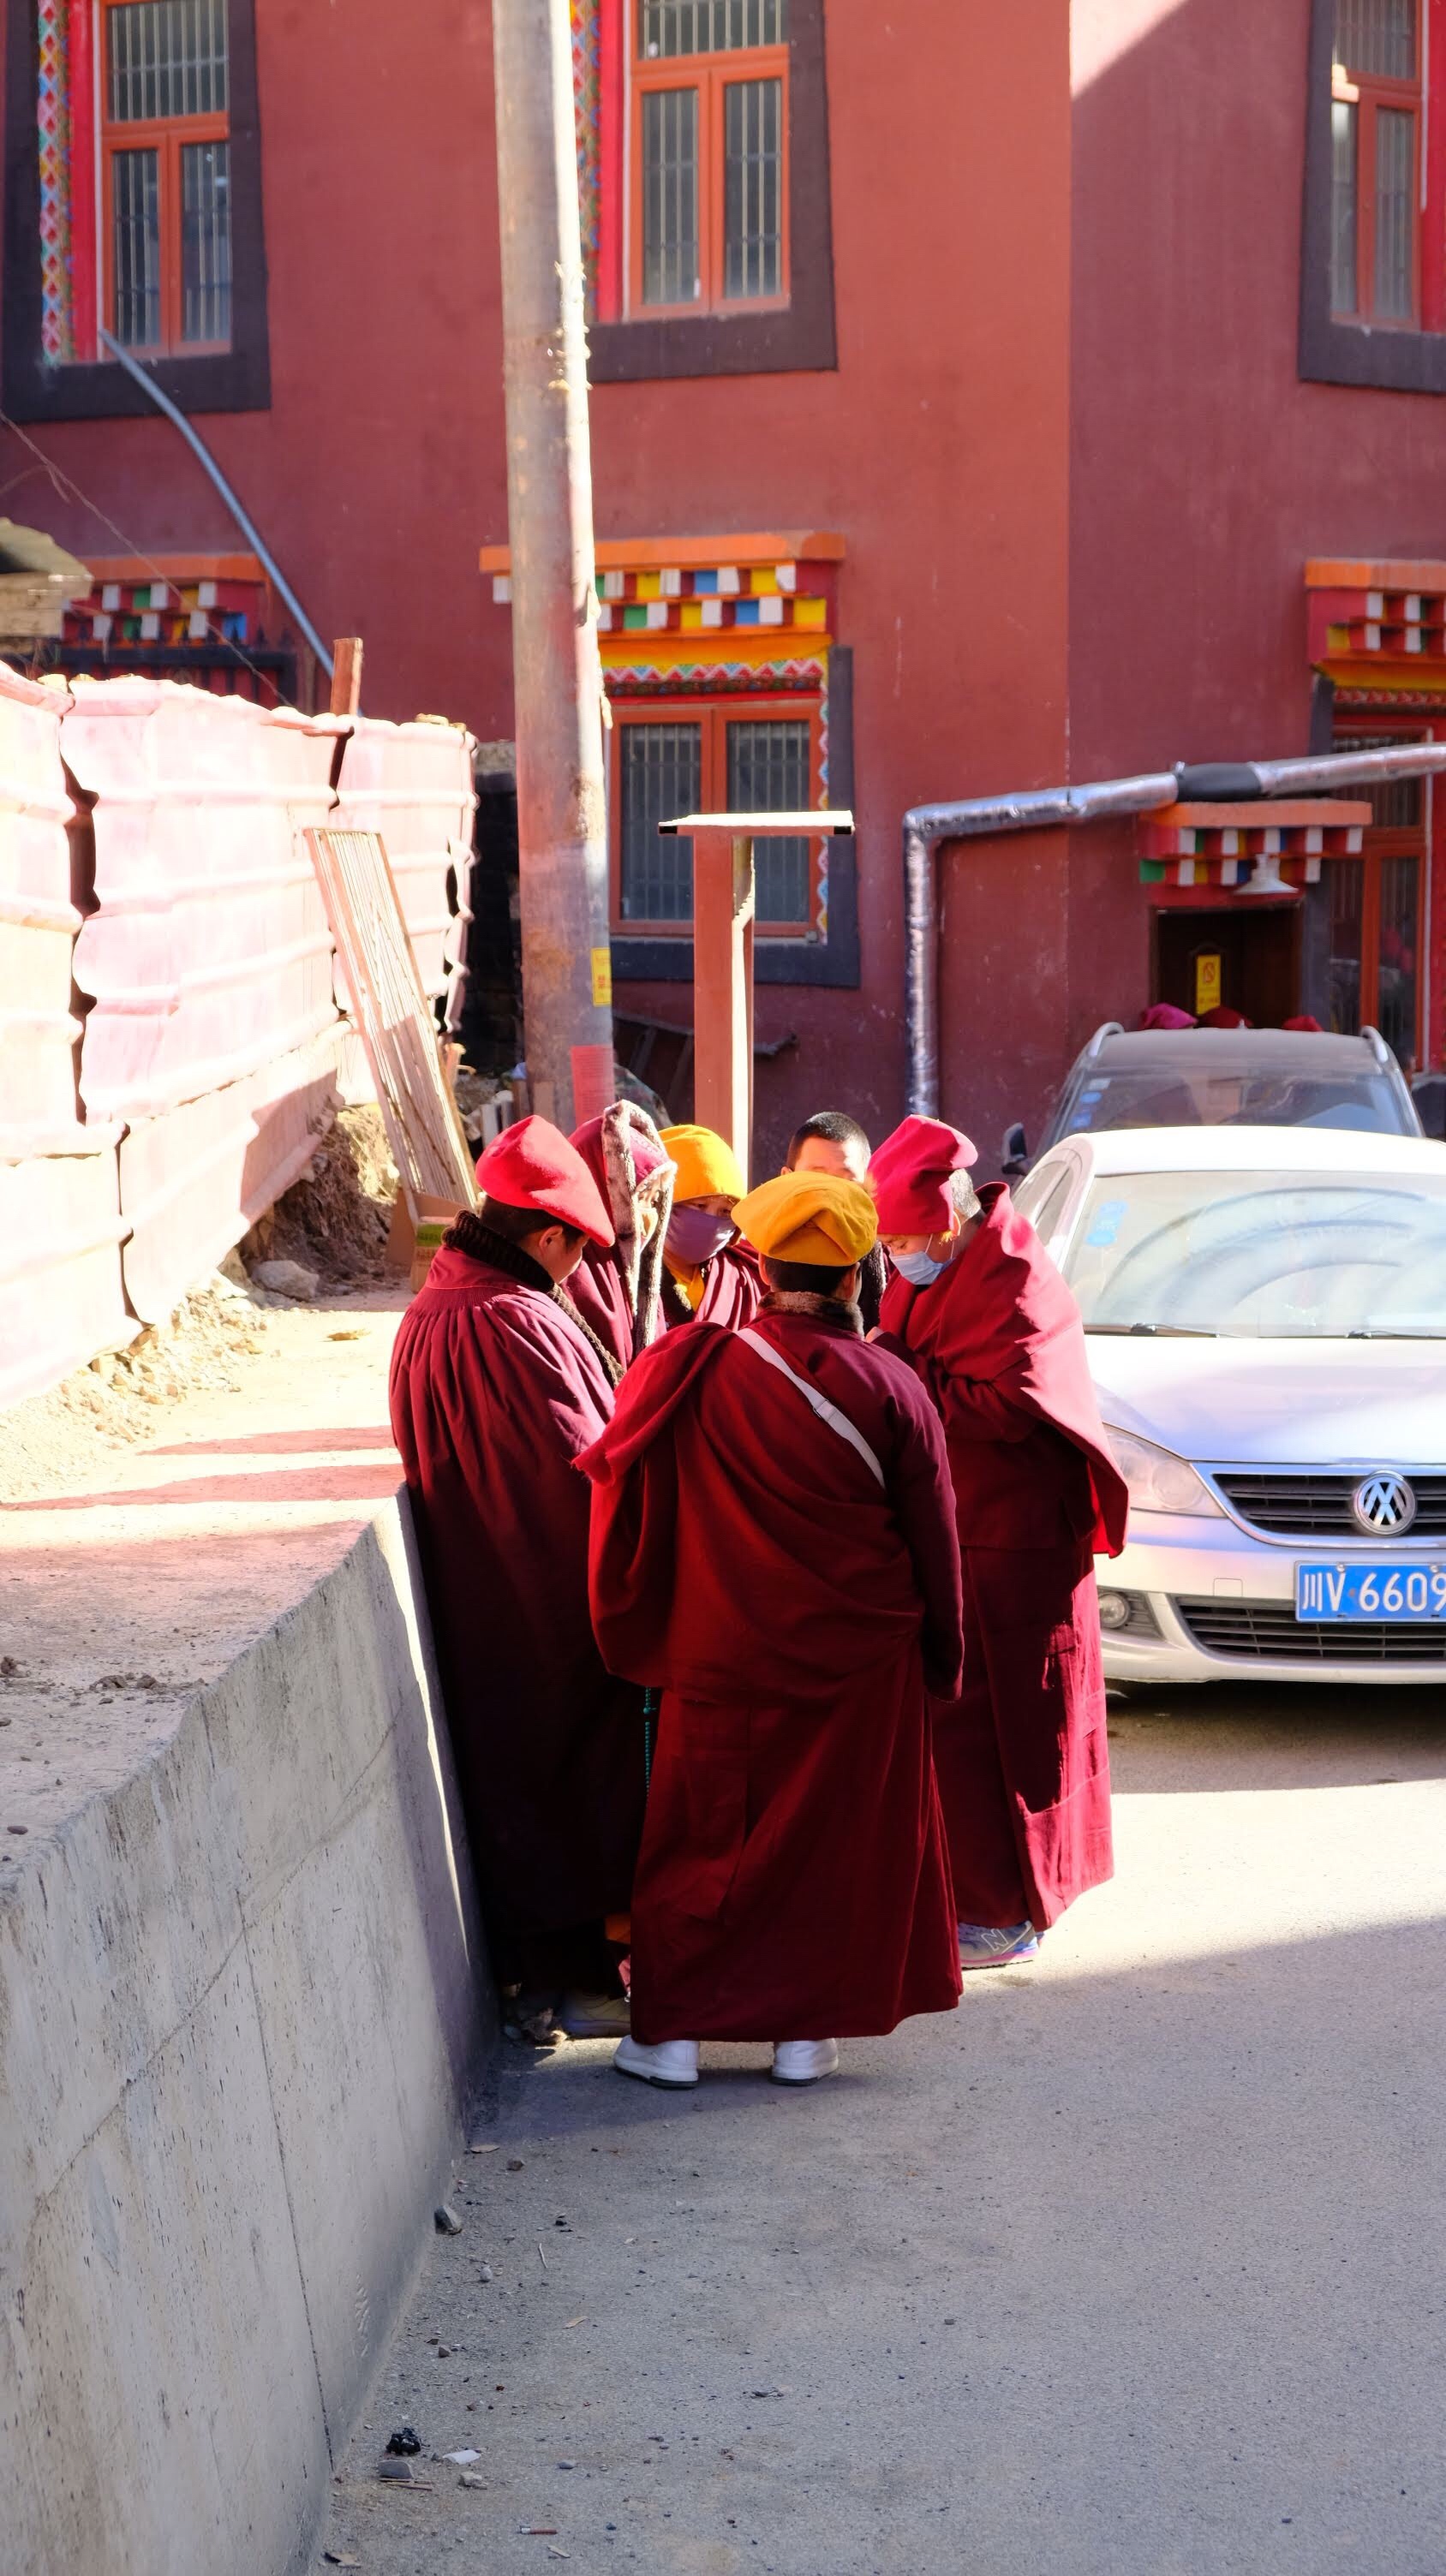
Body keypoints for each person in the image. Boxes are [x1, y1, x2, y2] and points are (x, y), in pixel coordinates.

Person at [578, 1169, 965, 2090]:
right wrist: (942, 1659)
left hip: (719, 1646)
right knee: (829, 1842)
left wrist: (642, 1621)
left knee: (702, 1838)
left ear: (758, 1268)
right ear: (855, 1276)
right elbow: (936, 1540)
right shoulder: (891, 1383)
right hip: (858, 1662)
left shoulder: (688, 1367)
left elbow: (623, 1498)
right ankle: (803, 2035)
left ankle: (672, 2037)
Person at [389, 1116, 646, 2036]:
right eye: (575, 1250)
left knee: (516, 1773)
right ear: (545, 1236)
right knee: (573, 1774)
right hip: (545, 1592)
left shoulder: (434, 1303)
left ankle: (543, 1979)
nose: (576, 1269)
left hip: (480, 1588)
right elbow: (582, 1469)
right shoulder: (512, 1321)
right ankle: (581, 1981)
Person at [869, 1115, 1129, 1969]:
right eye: (888, 1245)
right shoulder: (942, 1266)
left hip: (1018, 1540)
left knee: (1008, 1723)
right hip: (956, 1526)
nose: (897, 1258)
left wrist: (900, 1378)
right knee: (955, 1724)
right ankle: (971, 1893)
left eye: (904, 1240)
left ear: (946, 1219)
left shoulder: (1013, 1276)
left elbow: (1014, 1402)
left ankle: (1007, 1908)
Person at [568, 1100, 675, 1372]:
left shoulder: (644, 1286)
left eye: (654, 1200)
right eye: (639, 1198)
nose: (649, 1214)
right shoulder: (572, 1277)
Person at [785, 1108, 888, 1332]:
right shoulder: (765, 1251)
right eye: (816, 1178)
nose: (830, 1194)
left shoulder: (894, 1259)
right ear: (786, 1179)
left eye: (847, 1182)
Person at [658, 1124, 762, 1329]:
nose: (711, 1222)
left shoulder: (742, 1276)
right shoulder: (626, 1274)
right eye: (699, 1205)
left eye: (725, 1212)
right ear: (662, 1202)